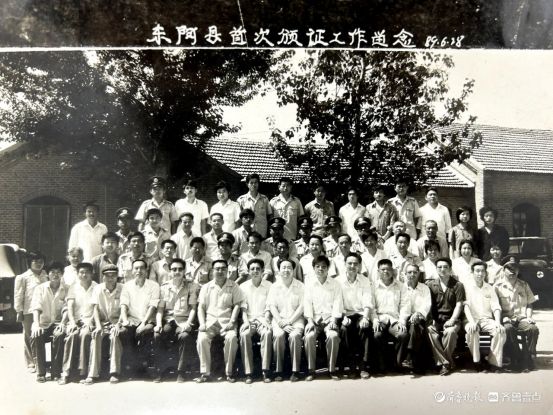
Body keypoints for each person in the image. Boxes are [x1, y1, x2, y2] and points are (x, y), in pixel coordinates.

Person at [196, 259, 244, 383]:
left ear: (227, 271)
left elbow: (237, 305)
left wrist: (232, 321)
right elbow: (201, 307)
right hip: (210, 323)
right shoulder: (206, 287)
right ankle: (205, 373)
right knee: (202, 338)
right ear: (212, 271)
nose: (220, 271)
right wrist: (202, 323)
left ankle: (229, 373)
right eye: (217, 269)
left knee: (231, 338)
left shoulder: (234, 286)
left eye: (223, 268)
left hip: (227, 323)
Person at [153, 258, 199, 383]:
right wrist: (158, 324)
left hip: (183, 320)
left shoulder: (191, 286)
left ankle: (181, 372)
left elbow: (193, 308)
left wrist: (188, 323)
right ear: (170, 271)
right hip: (168, 320)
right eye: (174, 269)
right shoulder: (164, 287)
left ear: (184, 271)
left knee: (184, 336)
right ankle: (160, 371)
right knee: (157, 334)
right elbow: (160, 310)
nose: (177, 272)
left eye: (180, 269)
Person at [303, 255, 343, 381]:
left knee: (333, 336)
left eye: (324, 267)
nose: (320, 269)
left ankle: (332, 369)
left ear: (328, 268)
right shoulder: (309, 284)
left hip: (330, 319)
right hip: (314, 320)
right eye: (318, 266)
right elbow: (307, 303)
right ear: (314, 268)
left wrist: (334, 320)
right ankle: (311, 370)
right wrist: (310, 321)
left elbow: (338, 303)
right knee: (309, 337)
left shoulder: (335, 284)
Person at [494, 260, 539, 372]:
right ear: (503, 270)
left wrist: (529, 317)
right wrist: (502, 318)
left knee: (533, 329)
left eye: (515, 268)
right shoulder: (497, 286)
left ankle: (528, 357)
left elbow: (529, 304)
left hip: (521, 318)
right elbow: (494, 306)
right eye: (509, 269)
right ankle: (516, 357)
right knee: (508, 329)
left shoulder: (524, 285)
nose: (512, 271)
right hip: (506, 318)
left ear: (518, 271)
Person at [119, 259, 160, 379]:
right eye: (136, 268)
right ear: (132, 271)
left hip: (148, 320)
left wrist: (143, 323)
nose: (139, 271)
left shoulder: (154, 285)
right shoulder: (127, 286)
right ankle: (132, 367)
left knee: (144, 332)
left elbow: (153, 307)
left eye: (142, 268)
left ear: (146, 270)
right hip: (132, 319)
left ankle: (146, 367)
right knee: (124, 332)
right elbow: (124, 305)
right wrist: (125, 320)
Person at [463, 261, 506, 372]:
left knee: (500, 331)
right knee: (472, 330)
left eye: (482, 271)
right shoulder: (467, 287)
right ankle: (477, 362)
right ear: (472, 272)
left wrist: (497, 322)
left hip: (487, 320)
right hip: (471, 319)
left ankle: (493, 362)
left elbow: (496, 307)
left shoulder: (489, 288)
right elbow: (466, 306)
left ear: (485, 273)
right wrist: (472, 322)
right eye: (477, 271)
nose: (480, 273)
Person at [85, 264, 124, 384]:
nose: (110, 278)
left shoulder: (123, 288)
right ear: (103, 277)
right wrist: (98, 326)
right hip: (102, 322)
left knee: (114, 336)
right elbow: (95, 308)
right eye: (107, 275)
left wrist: (118, 324)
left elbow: (125, 309)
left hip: (118, 322)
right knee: (96, 336)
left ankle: (114, 373)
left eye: (113, 275)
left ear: (117, 276)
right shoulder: (98, 289)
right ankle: (92, 374)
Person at [425, 257, 465, 376]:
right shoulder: (430, 285)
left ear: (450, 269)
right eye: (439, 267)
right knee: (430, 331)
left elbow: (459, 305)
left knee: (450, 332)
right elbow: (428, 304)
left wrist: (452, 320)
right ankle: (447, 362)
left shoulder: (458, 285)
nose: (442, 269)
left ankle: (444, 363)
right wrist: (432, 319)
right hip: (437, 320)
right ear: (436, 269)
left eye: (445, 267)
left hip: (453, 319)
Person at [267, 259, 305, 382]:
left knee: (294, 336)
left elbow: (302, 307)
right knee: (278, 336)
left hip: (296, 319)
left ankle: (295, 371)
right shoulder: (274, 287)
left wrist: (289, 321)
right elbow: (272, 306)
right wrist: (280, 322)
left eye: (289, 268)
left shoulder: (300, 286)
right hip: (279, 320)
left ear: (293, 270)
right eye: (283, 267)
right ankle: (279, 370)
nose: (286, 270)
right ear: (279, 270)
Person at [60, 262, 97, 385]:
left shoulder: (96, 287)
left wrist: (91, 321)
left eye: (87, 272)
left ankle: (83, 371)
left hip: (89, 320)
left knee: (85, 335)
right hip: (75, 320)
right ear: (77, 274)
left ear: (92, 274)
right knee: (72, 335)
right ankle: (65, 372)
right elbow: (70, 307)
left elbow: (97, 308)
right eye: (81, 272)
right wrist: (72, 322)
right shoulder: (73, 287)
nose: (84, 275)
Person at [336, 252, 373, 379]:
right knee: (344, 329)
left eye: (355, 264)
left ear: (359, 266)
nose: (352, 266)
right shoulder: (338, 281)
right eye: (349, 263)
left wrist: (366, 318)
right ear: (345, 264)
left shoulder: (365, 280)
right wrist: (343, 317)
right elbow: (337, 302)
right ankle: (351, 366)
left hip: (361, 314)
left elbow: (368, 301)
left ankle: (363, 366)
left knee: (366, 327)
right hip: (345, 314)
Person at [30, 261, 68, 383]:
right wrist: (36, 324)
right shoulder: (40, 289)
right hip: (43, 323)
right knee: (37, 335)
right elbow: (36, 308)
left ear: (62, 274)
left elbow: (67, 308)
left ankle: (56, 372)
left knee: (60, 335)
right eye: (52, 272)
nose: (55, 275)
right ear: (47, 274)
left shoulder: (66, 289)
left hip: (58, 323)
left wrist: (63, 323)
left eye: (58, 272)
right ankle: (41, 372)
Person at [372, 259, 410, 373]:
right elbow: (371, 306)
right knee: (377, 335)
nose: (385, 272)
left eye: (388, 269)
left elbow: (405, 305)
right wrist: (374, 320)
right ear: (378, 271)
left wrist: (402, 321)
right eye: (383, 269)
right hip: (380, 318)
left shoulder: (401, 286)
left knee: (402, 334)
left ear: (393, 270)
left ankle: (397, 363)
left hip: (395, 319)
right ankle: (382, 365)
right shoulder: (373, 286)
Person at [239, 259, 273, 383]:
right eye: (252, 269)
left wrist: (267, 319)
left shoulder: (269, 285)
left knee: (267, 333)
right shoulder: (243, 286)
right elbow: (243, 308)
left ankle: (265, 371)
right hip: (249, 319)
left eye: (258, 269)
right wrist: (245, 322)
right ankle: (248, 373)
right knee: (244, 334)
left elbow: (270, 305)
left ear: (263, 271)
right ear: (248, 271)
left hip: (264, 319)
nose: (255, 271)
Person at [14, 251, 47, 372]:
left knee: (41, 336)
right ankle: (31, 362)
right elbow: (18, 295)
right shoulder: (22, 277)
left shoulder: (46, 275)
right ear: (30, 262)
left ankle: (41, 361)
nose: (38, 264)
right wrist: (19, 311)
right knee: (29, 336)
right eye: (35, 261)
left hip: (44, 310)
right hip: (28, 310)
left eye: (41, 261)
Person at [404, 263, 432, 373]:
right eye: (409, 272)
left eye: (415, 272)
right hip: (404, 317)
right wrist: (407, 316)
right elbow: (400, 304)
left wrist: (418, 313)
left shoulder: (425, 288)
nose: (412, 274)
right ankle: (412, 360)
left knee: (415, 325)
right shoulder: (402, 288)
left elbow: (427, 304)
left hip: (420, 317)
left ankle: (409, 357)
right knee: (413, 326)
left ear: (419, 273)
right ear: (405, 274)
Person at [237, 173, 273, 239]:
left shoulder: (264, 199)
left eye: (256, 182)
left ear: (258, 184)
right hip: (247, 234)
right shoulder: (241, 200)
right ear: (247, 184)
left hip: (262, 233)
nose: (254, 185)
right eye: (251, 183)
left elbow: (269, 216)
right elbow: (239, 219)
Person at [269, 177, 305, 241]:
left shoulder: (296, 201)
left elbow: (300, 219)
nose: (285, 188)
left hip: (292, 236)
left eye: (288, 186)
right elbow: (270, 220)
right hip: (277, 236)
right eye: (283, 186)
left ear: (291, 187)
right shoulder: (273, 201)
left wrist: (299, 234)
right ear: (279, 187)